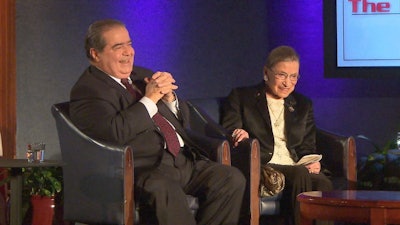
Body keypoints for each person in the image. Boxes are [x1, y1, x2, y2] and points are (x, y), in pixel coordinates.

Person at [69, 19, 245, 225]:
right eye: (118, 47)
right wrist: (150, 98)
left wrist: (170, 99)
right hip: (141, 169)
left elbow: (181, 122)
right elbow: (114, 132)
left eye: (129, 43)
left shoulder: (140, 76)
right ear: (95, 54)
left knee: (230, 179)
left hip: (181, 160)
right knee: (165, 189)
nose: (129, 52)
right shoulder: (88, 89)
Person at [221, 45, 333, 225]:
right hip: (263, 163)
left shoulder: (303, 104)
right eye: (281, 75)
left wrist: (312, 161)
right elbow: (229, 129)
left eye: (293, 76)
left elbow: (307, 145)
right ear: (266, 73)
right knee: (299, 174)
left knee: (322, 183)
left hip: (295, 163)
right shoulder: (242, 97)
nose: (287, 83)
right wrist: (237, 133)